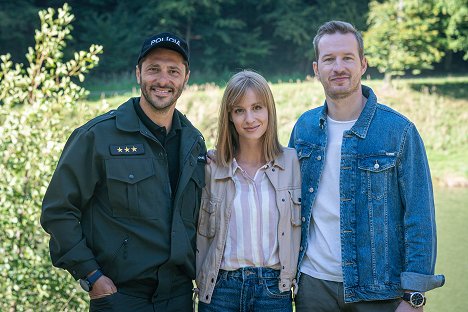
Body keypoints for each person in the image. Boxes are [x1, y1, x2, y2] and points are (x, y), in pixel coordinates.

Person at [40, 32, 206, 311]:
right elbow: (58, 211)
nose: (163, 80)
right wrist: (91, 276)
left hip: (178, 298)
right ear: (138, 73)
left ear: (186, 78)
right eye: (154, 69)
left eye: (173, 71)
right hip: (119, 297)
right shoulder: (98, 137)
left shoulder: (194, 142)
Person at [289, 21, 445, 312]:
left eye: (347, 58)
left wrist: (414, 296)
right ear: (315, 69)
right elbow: (286, 199)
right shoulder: (304, 128)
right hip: (313, 287)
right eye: (329, 59)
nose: (338, 67)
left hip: (379, 291)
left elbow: (420, 217)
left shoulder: (398, 131)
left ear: (363, 64)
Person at [196, 70, 301, 312]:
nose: (249, 118)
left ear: (269, 111)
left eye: (257, 107)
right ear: (229, 116)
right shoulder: (213, 168)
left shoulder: (292, 163)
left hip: (274, 290)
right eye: (239, 110)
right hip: (221, 288)